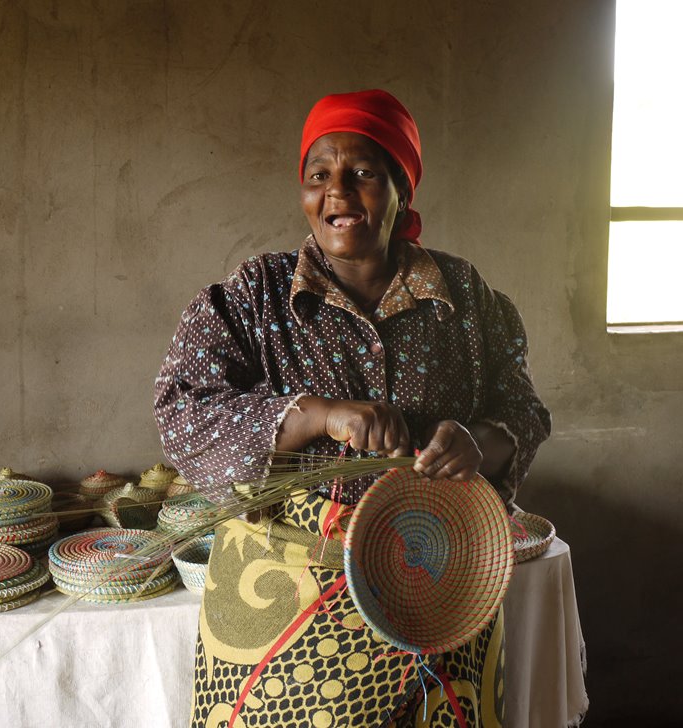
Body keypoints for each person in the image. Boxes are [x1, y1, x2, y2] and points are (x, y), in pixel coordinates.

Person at [154, 89, 551, 728]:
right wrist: (315, 414)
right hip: (285, 598)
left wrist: (480, 440)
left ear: (401, 186)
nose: (337, 192)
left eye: (363, 172)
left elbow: (525, 411)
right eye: (319, 176)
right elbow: (180, 412)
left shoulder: (468, 298)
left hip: (436, 584)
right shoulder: (254, 296)